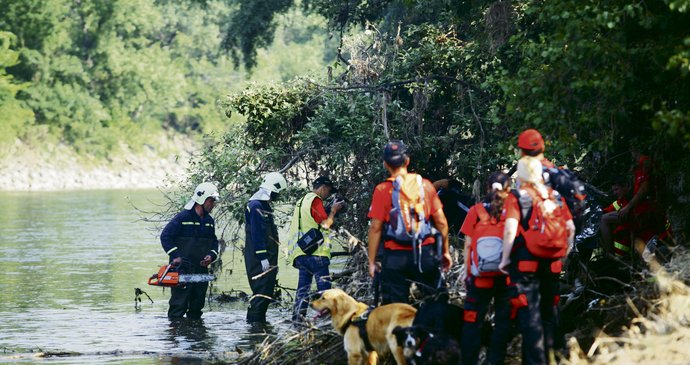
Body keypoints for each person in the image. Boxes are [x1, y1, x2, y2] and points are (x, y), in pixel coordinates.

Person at [498, 156, 576, 365]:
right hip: (552, 264)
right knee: (548, 315)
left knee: (530, 318)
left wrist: (505, 259)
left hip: (526, 266)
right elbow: (571, 228)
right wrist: (564, 253)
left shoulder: (519, 196)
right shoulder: (555, 196)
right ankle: (550, 358)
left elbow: (510, 230)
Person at [367, 140, 452, 304]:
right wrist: (445, 252)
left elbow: (375, 228)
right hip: (424, 254)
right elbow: (441, 222)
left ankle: (403, 329)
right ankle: (433, 328)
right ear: (407, 161)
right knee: (437, 302)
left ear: (385, 164)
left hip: (394, 258)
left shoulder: (382, 190)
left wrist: (372, 262)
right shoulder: (425, 186)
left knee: (397, 309)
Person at [460, 172, 512, 365]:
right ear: (508, 190)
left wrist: (467, 274)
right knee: (502, 323)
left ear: (487, 189)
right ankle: (494, 361)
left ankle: (468, 361)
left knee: (472, 321)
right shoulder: (513, 212)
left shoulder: (475, 211)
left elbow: (468, 245)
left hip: (479, 279)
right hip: (505, 278)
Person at [287, 176, 345, 322]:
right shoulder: (315, 200)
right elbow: (325, 224)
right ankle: (326, 324)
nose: (328, 195)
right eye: (329, 191)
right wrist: (333, 211)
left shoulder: (301, 201)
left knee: (302, 292)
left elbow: (309, 222)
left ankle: (297, 322)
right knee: (324, 291)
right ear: (323, 187)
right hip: (316, 254)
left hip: (301, 254)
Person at [160, 182, 220, 319]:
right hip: (182, 271)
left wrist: (211, 256)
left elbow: (214, 242)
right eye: (211, 201)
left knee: (196, 309)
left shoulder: (209, 221)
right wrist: (175, 256)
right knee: (178, 308)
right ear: (201, 200)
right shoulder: (183, 218)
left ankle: (196, 338)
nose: (213, 205)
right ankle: (173, 335)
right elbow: (165, 236)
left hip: (201, 272)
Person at [245, 171, 287, 324]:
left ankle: (258, 326)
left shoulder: (263, 205)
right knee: (261, 293)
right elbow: (257, 234)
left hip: (267, 257)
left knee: (265, 293)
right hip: (259, 259)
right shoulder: (256, 206)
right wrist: (263, 258)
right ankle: (255, 327)